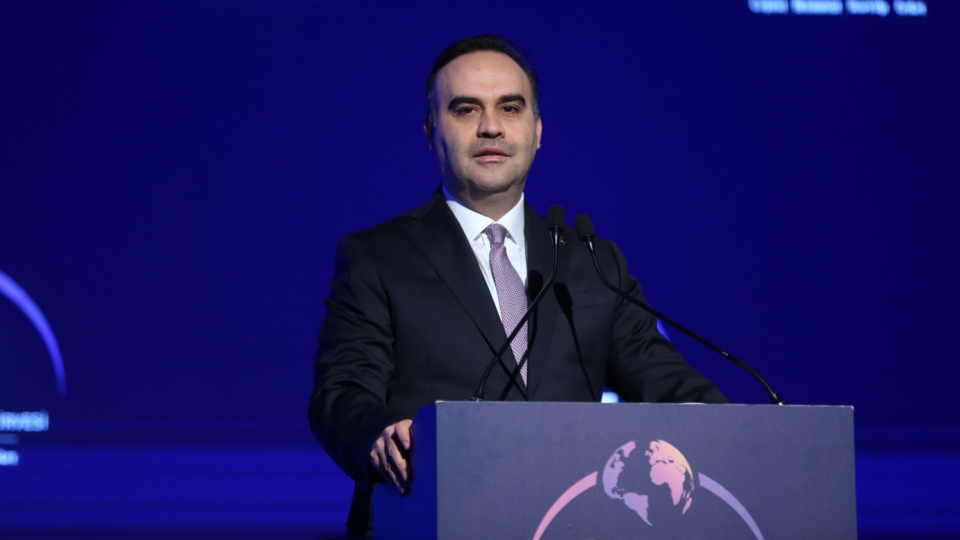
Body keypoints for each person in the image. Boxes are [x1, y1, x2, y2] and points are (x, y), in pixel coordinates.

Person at [308, 34, 727, 532]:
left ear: (537, 130)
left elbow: (669, 383)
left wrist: (743, 431)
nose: (491, 126)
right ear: (431, 131)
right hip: (431, 518)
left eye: (510, 108)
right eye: (466, 109)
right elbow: (342, 393)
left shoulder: (593, 263)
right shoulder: (377, 257)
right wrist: (378, 436)